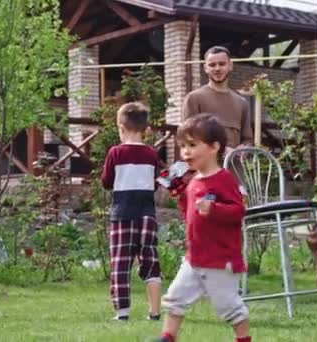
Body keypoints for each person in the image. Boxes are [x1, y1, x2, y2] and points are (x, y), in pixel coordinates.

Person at [156, 114, 251, 342]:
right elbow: (191, 212)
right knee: (175, 299)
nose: (185, 152)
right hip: (194, 258)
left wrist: (215, 209)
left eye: (192, 145)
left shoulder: (224, 179)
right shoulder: (194, 181)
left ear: (214, 147)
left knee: (229, 307)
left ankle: (243, 339)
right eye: (182, 146)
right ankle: (167, 337)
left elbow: (238, 211)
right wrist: (180, 194)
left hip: (219, 259)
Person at [101, 102, 162, 322]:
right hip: (147, 214)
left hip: (122, 215)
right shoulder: (152, 154)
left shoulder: (115, 153)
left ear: (121, 127)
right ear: (146, 129)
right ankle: (154, 312)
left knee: (120, 262)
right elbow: (156, 183)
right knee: (150, 260)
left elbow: (106, 182)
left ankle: (122, 313)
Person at [182, 46, 253, 156]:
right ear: (205, 68)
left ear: (230, 65)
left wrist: (244, 149)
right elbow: (188, 137)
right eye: (212, 65)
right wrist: (221, 150)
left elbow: (248, 139)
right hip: (206, 169)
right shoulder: (194, 98)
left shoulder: (241, 102)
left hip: (235, 169)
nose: (217, 69)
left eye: (222, 64)